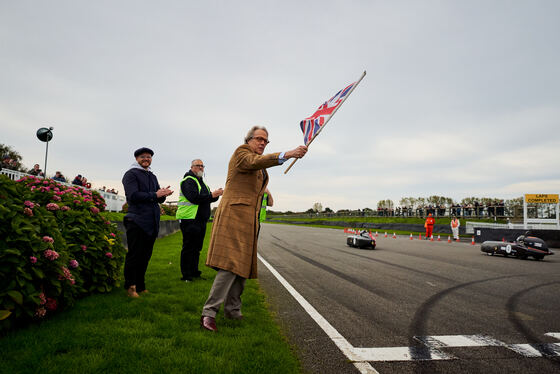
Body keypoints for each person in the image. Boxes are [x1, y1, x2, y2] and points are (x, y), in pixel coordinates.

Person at [200, 126, 307, 332]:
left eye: (266, 141)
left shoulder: (260, 166)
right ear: (248, 140)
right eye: (259, 139)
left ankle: (233, 310)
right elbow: (253, 162)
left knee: (243, 266)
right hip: (233, 216)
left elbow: (257, 174)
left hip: (249, 220)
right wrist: (288, 154)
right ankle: (209, 313)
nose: (262, 143)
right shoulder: (242, 153)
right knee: (230, 265)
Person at [122, 147, 173, 298]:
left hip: (151, 222)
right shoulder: (130, 174)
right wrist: (155, 194)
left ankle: (141, 285)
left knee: (145, 256)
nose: (146, 159)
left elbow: (157, 197)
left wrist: (163, 194)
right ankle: (130, 286)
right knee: (135, 255)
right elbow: (133, 196)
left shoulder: (152, 175)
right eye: (143, 157)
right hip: (136, 220)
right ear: (137, 159)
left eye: (149, 157)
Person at [176, 159, 223, 282]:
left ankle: (194, 272)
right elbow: (193, 198)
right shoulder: (188, 180)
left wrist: (216, 195)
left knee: (197, 248)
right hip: (190, 219)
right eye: (198, 166)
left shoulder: (202, 182)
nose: (201, 168)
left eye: (202, 166)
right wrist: (211, 195)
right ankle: (186, 275)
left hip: (200, 220)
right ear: (192, 167)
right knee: (188, 247)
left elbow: (208, 199)